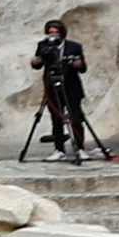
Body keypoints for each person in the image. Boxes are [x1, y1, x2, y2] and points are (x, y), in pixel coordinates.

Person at [30, 19, 90, 153]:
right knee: (56, 119)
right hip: (52, 87)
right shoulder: (43, 45)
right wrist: (35, 62)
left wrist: (78, 64)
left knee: (75, 118)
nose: (53, 35)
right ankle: (59, 150)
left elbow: (83, 68)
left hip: (71, 86)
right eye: (51, 32)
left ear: (62, 33)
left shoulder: (74, 46)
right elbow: (38, 64)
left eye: (56, 32)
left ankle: (80, 148)